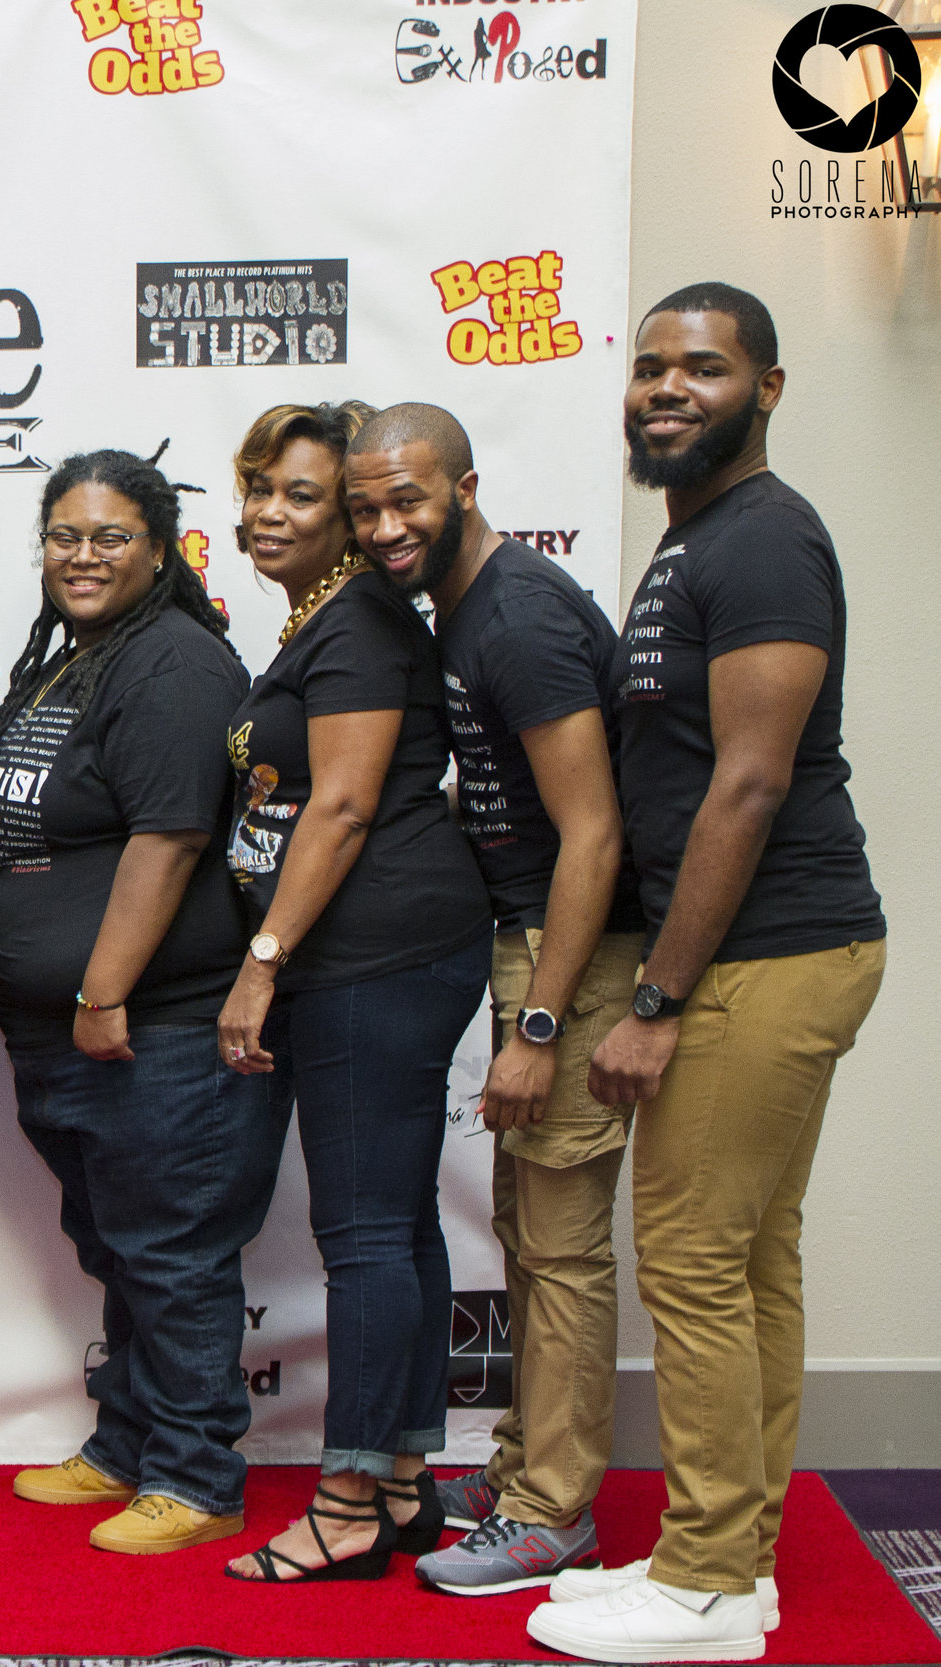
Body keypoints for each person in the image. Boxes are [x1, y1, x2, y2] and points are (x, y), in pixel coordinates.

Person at [527, 286, 884, 1664]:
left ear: (769, 389)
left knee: (691, 1259)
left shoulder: (769, 540)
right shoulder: (702, 535)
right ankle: (732, 1556)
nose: (668, 387)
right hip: (776, 948)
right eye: (651, 365)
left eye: (706, 368)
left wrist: (661, 1001)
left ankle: (705, 1584)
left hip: (765, 953)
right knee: (748, 1259)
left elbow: (749, 780)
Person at [341, 404, 645, 1597]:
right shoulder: (466, 604)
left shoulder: (512, 614)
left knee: (561, 1246)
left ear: (464, 487)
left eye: (406, 499)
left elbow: (594, 832)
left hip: (568, 955)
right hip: (534, 943)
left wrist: (539, 1023)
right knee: (528, 1230)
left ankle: (553, 1512)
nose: (383, 526)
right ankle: (525, 1465)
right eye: (364, 507)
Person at [0, 447, 285, 1556]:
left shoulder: (172, 662)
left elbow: (170, 839)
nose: (82, 554)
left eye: (109, 535)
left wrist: (102, 988)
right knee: (120, 1245)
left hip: (155, 1028)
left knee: (174, 1252)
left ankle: (198, 1471)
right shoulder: (75, 656)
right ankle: (129, 1440)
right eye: (64, 534)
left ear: (158, 550)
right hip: (62, 1032)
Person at [213, 401, 493, 1584]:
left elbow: (341, 804)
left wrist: (260, 961)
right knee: (393, 1225)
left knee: (366, 1233)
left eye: (304, 496)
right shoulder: (324, 621)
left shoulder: (362, 623)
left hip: (372, 952)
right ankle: (400, 1478)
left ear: (346, 523)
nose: (271, 512)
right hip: (379, 947)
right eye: (260, 488)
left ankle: (345, 1501)